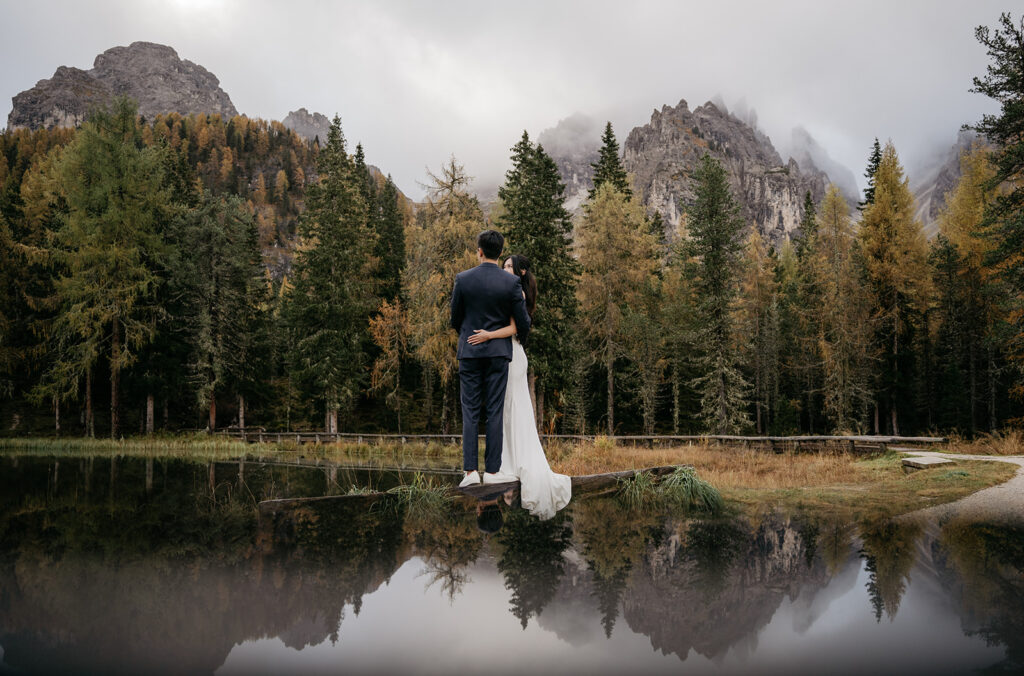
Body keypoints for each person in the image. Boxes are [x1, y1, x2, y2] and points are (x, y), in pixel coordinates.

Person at [465, 254, 572, 520]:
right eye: (504, 266)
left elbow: (514, 327)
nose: (505, 270)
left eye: (510, 267)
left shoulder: (519, 296)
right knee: (507, 408)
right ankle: (505, 462)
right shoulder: (508, 291)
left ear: (521, 272)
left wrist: (488, 334)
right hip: (507, 354)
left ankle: (511, 463)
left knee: (511, 407)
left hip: (511, 355)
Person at [450, 230, 532, 488]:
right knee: (494, 411)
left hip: (470, 353)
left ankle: (471, 472)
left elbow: (454, 319)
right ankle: (493, 472)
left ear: (480, 251)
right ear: (499, 253)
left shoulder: (463, 279)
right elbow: (523, 324)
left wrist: (469, 336)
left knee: (471, 411)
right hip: (498, 355)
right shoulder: (511, 284)